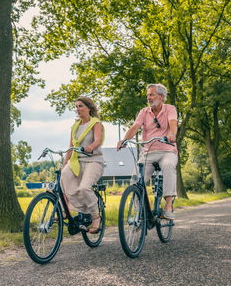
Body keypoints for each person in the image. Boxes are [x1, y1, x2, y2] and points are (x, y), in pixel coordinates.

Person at [117, 84, 178, 219]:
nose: (148, 98)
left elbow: (173, 122)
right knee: (136, 179)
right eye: (147, 95)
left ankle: (168, 205)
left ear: (161, 97)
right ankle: (140, 212)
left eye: (151, 95)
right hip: (148, 152)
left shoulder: (170, 109)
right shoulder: (144, 112)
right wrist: (124, 140)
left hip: (167, 151)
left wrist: (172, 134)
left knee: (168, 166)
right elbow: (135, 127)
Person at [61, 97, 105, 233]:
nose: (77, 109)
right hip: (76, 161)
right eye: (76, 106)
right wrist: (64, 163)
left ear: (89, 108)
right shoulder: (75, 126)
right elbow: (71, 146)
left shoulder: (96, 123)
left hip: (93, 160)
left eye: (80, 106)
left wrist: (90, 147)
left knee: (85, 188)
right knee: (63, 177)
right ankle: (67, 211)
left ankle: (96, 217)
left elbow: (98, 141)